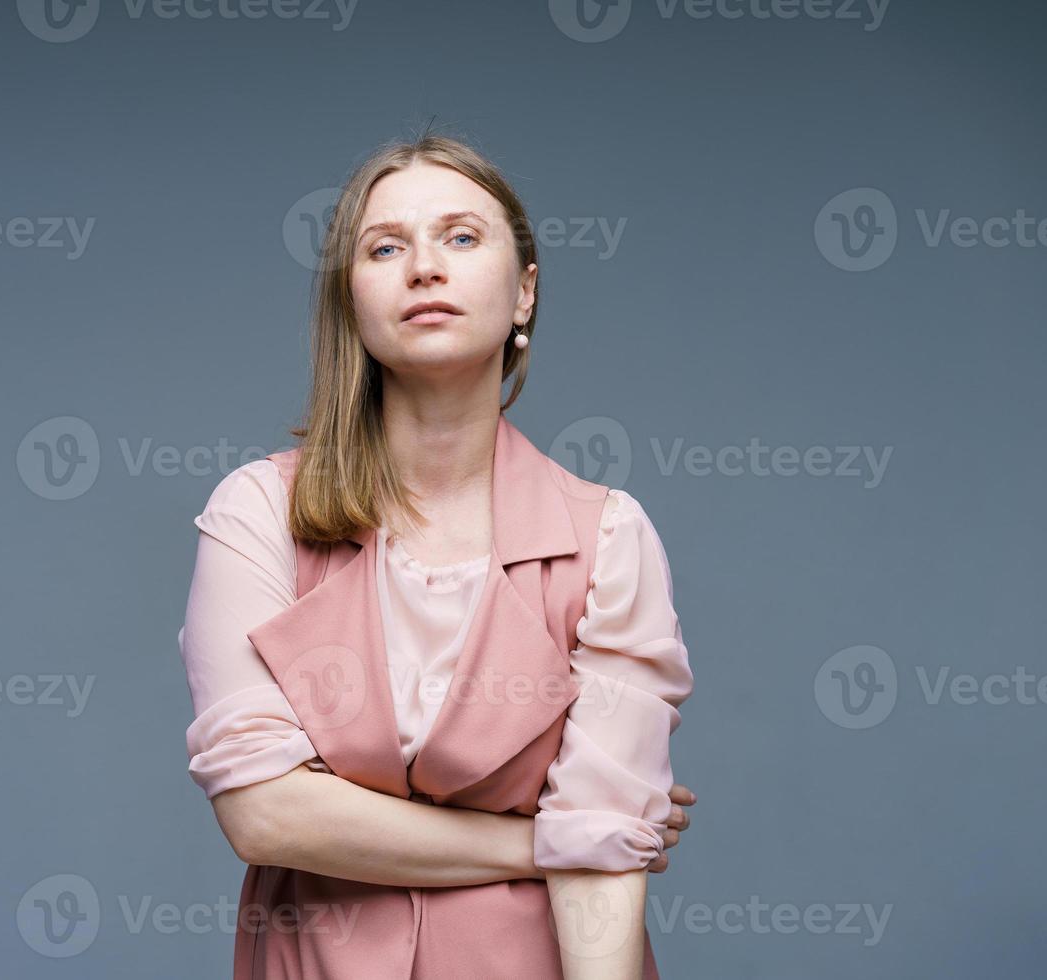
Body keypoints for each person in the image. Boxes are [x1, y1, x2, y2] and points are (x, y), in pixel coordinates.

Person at [178, 130, 696, 979]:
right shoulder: (259, 512)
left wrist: (599, 841)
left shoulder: (609, 535)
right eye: (385, 247)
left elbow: (603, 879)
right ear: (352, 299)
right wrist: (554, 839)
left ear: (524, 291)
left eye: (461, 237)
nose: (425, 267)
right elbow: (265, 817)